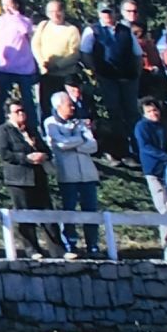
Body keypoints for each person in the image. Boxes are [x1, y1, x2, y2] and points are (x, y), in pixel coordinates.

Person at [0, 99, 64, 258]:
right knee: (25, 215)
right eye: (17, 111)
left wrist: (43, 155)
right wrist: (26, 158)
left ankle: (58, 250)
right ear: (9, 114)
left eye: (22, 111)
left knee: (48, 214)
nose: (21, 114)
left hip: (38, 177)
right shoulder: (3, 131)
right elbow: (5, 154)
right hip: (19, 179)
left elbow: (46, 149)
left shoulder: (31, 130)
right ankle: (32, 250)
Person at [44, 90, 101, 258]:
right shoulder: (50, 123)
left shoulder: (80, 123)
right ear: (59, 106)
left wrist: (74, 143)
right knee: (69, 210)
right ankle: (71, 244)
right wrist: (80, 140)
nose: (73, 107)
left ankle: (93, 245)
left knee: (90, 210)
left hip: (87, 174)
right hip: (67, 174)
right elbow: (60, 144)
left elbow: (93, 146)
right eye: (69, 105)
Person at [81, 1, 142, 159]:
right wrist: (95, 72)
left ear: (115, 13)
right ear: (99, 13)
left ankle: (137, 150)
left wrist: (136, 73)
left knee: (132, 114)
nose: (107, 15)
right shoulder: (92, 30)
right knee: (113, 114)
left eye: (110, 12)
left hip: (128, 78)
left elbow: (137, 54)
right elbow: (86, 53)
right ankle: (119, 151)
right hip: (106, 78)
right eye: (104, 12)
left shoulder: (125, 30)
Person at [0, 0, 40, 121]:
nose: (6, 8)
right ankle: (0, 124)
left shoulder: (24, 21)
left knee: (27, 99)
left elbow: (25, 30)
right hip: (3, 66)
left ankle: (32, 125)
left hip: (23, 67)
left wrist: (16, 16)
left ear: (16, 5)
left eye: (9, 4)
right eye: (4, 5)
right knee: (1, 97)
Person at [135, 98, 167, 258]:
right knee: (163, 208)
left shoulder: (165, 126)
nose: (153, 113)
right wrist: (166, 156)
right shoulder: (141, 127)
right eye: (149, 111)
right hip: (153, 171)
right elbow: (146, 147)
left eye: (155, 110)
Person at [33, 0, 83, 106]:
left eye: (58, 11)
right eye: (51, 12)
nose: (55, 14)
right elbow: (35, 45)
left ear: (63, 11)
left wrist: (57, 66)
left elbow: (75, 54)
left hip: (65, 76)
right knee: (46, 106)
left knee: (67, 106)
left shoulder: (72, 30)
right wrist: (42, 63)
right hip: (46, 74)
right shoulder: (43, 26)